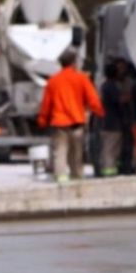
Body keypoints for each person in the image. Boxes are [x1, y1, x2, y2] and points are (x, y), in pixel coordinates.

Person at [38, 47, 102, 182]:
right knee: (77, 155)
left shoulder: (53, 81)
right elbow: (93, 100)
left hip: (59, 124)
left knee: (59, 153)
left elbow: (46, 104)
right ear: (74, 62)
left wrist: (43, 120)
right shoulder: (81, 79)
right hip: (77, 124)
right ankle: (77, 179)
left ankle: (61, 180)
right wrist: (101, 113)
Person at [98, 58, 135, 177]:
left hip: (110, 123)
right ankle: (109, 172)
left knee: (114, 149)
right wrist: (131, 95)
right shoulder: (110, 86)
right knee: (110, 149)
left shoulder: (105, 85)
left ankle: (113, 170)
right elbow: (119, 100)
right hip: (112, 124)